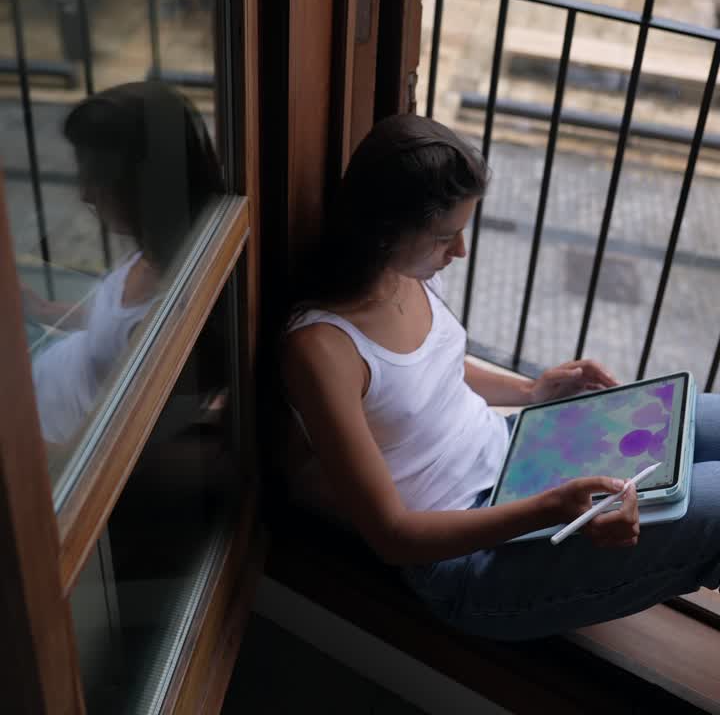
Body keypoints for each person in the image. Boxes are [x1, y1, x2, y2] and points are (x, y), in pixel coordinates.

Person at [281, 113, 720, 640]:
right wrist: (549, 509)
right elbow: (393, 536)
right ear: (384, 232)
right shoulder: (321, 350)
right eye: (446, 235)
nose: (460, 250)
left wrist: (531, 392)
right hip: (466, 558)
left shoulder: (405, 273)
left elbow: (426, 373)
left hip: (519, 451)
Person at [30, 81, 224, 445]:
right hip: (44, 375)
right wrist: (39, 308)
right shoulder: (160, 250)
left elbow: (93, 451)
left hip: (42, 430)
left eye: (95, 176)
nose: (85, 193)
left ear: (141, 184)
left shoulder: (168, 318)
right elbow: (111, 330)